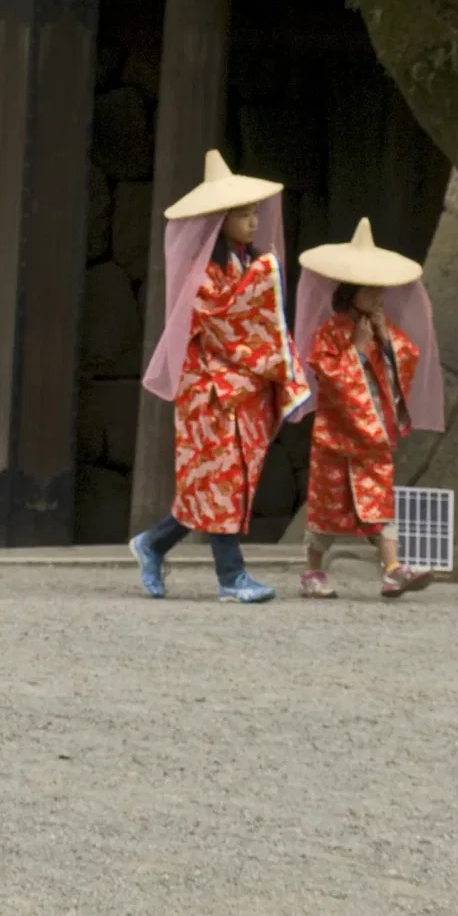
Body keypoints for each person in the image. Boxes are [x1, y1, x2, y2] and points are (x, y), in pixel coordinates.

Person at [130, 151, 312, 603]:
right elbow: (228, 320)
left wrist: (259, 280)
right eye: (244, 215)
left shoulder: (246, 266)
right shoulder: (204, 274)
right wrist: (261, 280)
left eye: (254, 214)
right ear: (219, 222)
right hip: (208, 389)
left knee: (214, 485)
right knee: (218, 482)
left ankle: (153, 544)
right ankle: (231, 577)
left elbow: (259, 318)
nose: (254, 223)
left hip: (238, 386)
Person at [292, 218, 445, 600]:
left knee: (379, 502)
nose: (379, 295)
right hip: (337, 436)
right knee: (327, 510)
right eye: (371, 289)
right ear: (351, 290)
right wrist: (356, 351)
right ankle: (312, 570)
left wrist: (382, 341)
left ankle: (393, 569)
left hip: (373, 429)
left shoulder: (381, 328)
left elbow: (406, 358)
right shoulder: (328, 334)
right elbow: (327, 377)